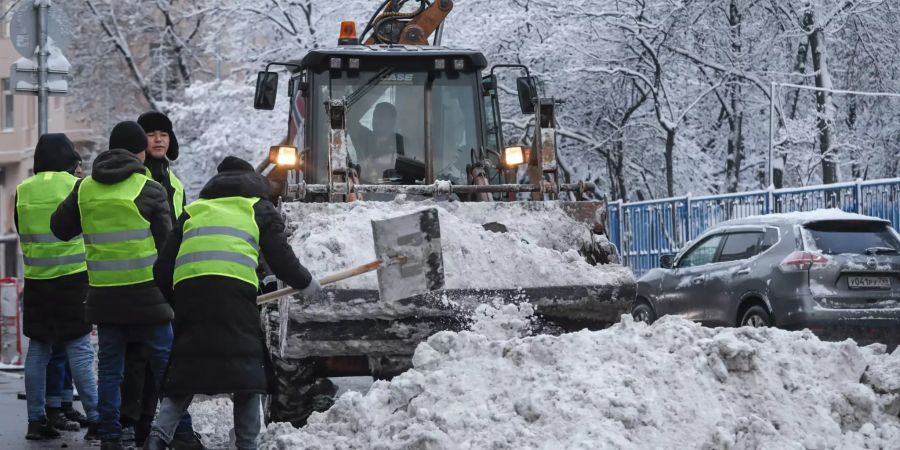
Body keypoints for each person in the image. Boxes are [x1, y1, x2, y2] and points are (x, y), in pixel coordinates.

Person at [143, 156, 322, 450]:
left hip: (191, 295)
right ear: (253, 181)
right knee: (247, 372)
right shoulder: (258, 208)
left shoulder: (194, 211)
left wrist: (180, 302)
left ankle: (158, 438)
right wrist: (305, 282)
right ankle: (247, 444)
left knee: (186, 368)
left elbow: (162, 269)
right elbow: (280, 258)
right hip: (235, 297)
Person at [50, 122, 174, 450]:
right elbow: (168, 247)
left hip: (105, 297)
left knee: (109, 370)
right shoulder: (149, 189)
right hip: (149, 297)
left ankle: (109, 436)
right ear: (139, 152)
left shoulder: (86, 188)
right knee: (165, 367)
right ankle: (180, 434)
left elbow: (60, 229)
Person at [117, 111, 195, 447]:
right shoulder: (132, 177)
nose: (159, 139)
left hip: (166, 279)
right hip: (136, 277)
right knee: (139, 356)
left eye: (164, 133)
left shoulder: (175, 183)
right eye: (151, 134)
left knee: (161, 356)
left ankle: (155, 425)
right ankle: (138, 422)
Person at [16, 133, 99, 441]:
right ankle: (96, 416)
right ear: (68, 158)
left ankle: (36, 421)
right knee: (79, 348)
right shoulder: (76, 186)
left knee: (37, 350)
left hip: (37, 280)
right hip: (73, 278)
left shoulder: (23, 190)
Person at [351, 102, 406, 182]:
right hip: (363, 189)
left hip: (394, 190)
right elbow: (349, 119)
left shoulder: (401, 142)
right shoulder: (365, 136)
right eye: (375, 115)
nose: (377, 119)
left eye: (382, 115)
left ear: (393, 120)